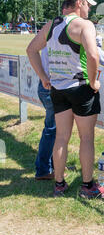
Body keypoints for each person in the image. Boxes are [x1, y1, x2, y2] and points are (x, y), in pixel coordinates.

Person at [26, 0, 104, 199]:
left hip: (58, 89)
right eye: (88, 4)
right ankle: (88, 186)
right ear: (79, 3)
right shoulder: (84, 25)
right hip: (81, 88)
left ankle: (59, 184)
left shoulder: (52, 24)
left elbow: (31, 50)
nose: (89, 8)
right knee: (86, 138)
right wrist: (93, 82)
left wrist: (44, 77)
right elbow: (92, 55)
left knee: (61, 137)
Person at [34, 47, 56, 180]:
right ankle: (43, 169)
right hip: (51, 88)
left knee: (55, 130)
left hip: (47, 87)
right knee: (52, 130)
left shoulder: (50, 31)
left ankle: (55, 165)